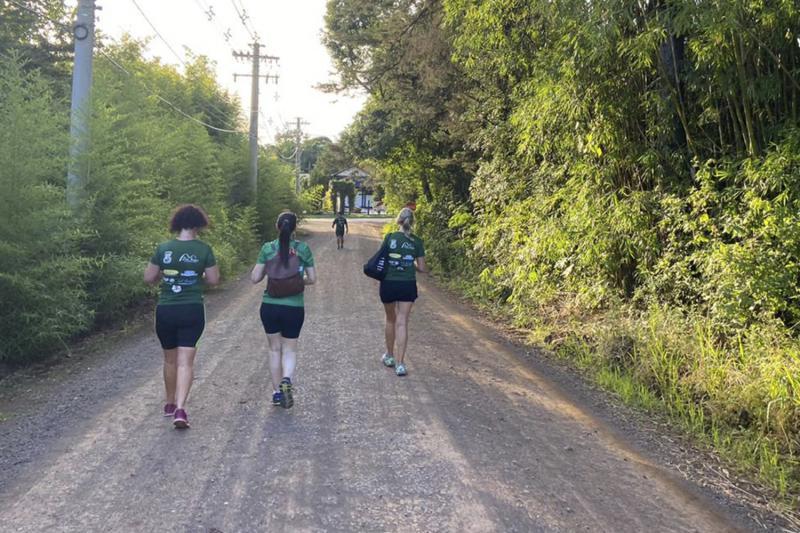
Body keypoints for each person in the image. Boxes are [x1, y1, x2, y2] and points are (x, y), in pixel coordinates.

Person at [144, 204, 220, 429]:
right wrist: (196, 276)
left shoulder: (163, 248)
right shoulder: (204, 250)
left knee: (169, 359)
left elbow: (148, 277)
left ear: (177, 223)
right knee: (186, 361)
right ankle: (180, 408)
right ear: (199, 224)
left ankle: (168, 403)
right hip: (192, 309)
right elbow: (214, 280)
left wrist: (166, 278)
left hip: (166, 309)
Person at [251, 211, 316, 408]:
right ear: (295, 228)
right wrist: (297, 281)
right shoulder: (303, 249)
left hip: (270, 305)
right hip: (294, 307)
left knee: (274, 349)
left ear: (277, 227)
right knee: (289, 349)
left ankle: (277, 392)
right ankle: (287, 379)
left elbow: (255, 278)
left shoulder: (268, 249)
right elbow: (312, 279)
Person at [379, 207, 427, 376]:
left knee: (390, 319)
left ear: (398, 221)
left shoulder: (390, 237)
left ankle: (390, 356)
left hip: (389, 284)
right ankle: (400, 364)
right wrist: (409, 262)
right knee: (402, 322)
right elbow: (422, 268)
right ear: (412, 222)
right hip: (407, 284)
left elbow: (381, 260)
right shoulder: (417, 241)